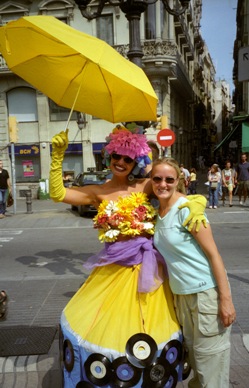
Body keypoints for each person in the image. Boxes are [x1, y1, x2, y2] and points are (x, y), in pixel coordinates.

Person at [49, 126, 207, 387]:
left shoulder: (144, 185)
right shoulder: (97, 192)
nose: (121, 162)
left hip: (149, 268)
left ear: (136, 162)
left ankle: (151, 376)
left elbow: (173, 190)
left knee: (150, 326)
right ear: (108, 157)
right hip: (114, 270)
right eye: (116, 157)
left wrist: (196, 204)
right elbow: (58, 194)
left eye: (128, 158)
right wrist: (57, 157)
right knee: (107, 327)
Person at [151, 157, 236, 388]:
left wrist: (225, 300)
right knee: (198, 367)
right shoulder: (158, 211)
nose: (163, 184)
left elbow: (214, 255)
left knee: (211, 369)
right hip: (182, 297)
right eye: (157, 178)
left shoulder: (186, 208)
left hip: (205, 294)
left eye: (169, 179)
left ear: (178, 180)